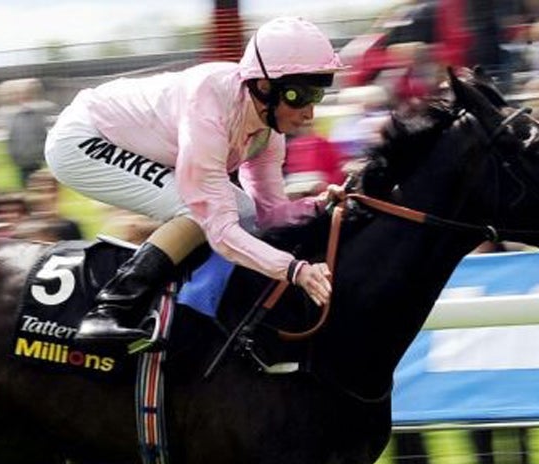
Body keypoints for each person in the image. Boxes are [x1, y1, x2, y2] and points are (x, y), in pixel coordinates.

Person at [45, 16, 344, 346]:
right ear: (263, 86)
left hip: (124, 135)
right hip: (82, 140)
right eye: (299, 96)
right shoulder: (210, 107)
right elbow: (219, 231)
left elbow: (268, 213)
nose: (308, 113)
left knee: (242, 209)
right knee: (197, 212)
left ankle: (184, 303)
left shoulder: (267, 128)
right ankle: (108, 312)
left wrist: (319, 207)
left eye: (316, 97)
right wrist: (294, 270)